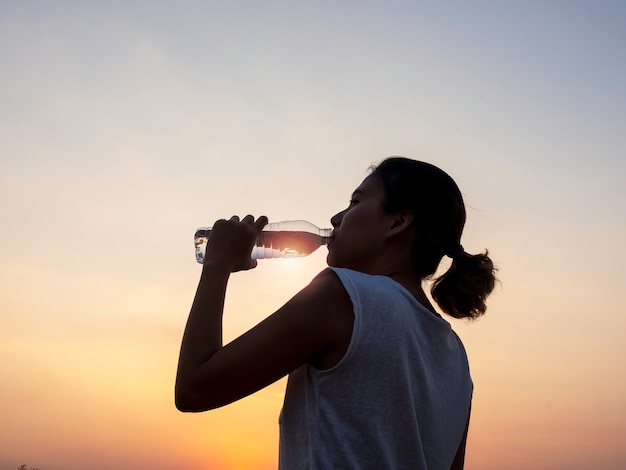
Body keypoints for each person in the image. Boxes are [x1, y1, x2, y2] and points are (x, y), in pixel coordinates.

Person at [175, 156, 497, 469]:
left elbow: (194, 388)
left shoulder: (345, 295)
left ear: (398, 222)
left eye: (355, 202)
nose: (336, 218)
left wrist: (217, 266)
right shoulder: (457, 358)